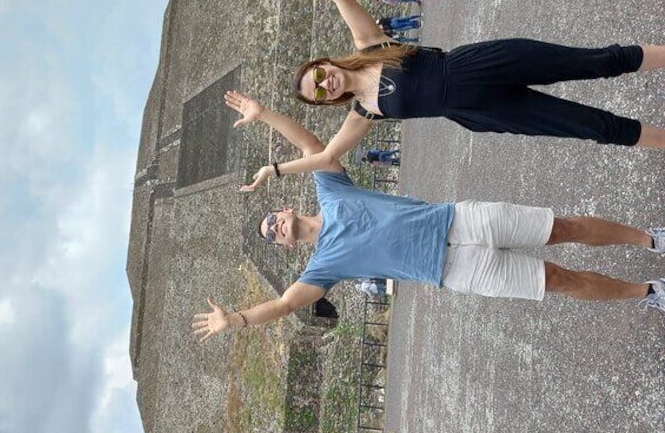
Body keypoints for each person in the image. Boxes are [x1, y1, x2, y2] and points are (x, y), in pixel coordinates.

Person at [191, 91, 665, 342]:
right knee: (559, 280)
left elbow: (313, 147)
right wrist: (236, 320)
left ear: (288, 208)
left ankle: (651, 240)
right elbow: (285, 306)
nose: (275, 228)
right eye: (272, 236)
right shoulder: (322, 268)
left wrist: (265, 112)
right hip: (457, 270)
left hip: (462, 221)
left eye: (272, 219)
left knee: (566, 228)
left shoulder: (330, 190)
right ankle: (648, 291)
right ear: (288, 245)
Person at [246, 0, 665, 191]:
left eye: (319, 75)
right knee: (592, 126)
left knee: (599, 61)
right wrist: (276, 168)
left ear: (324, 63)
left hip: (479, 64)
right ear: (325, 103)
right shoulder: (363, 112)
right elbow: (324, 158)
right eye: (319, 93)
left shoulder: (371, 45)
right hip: (479, 111)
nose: (326, 84)